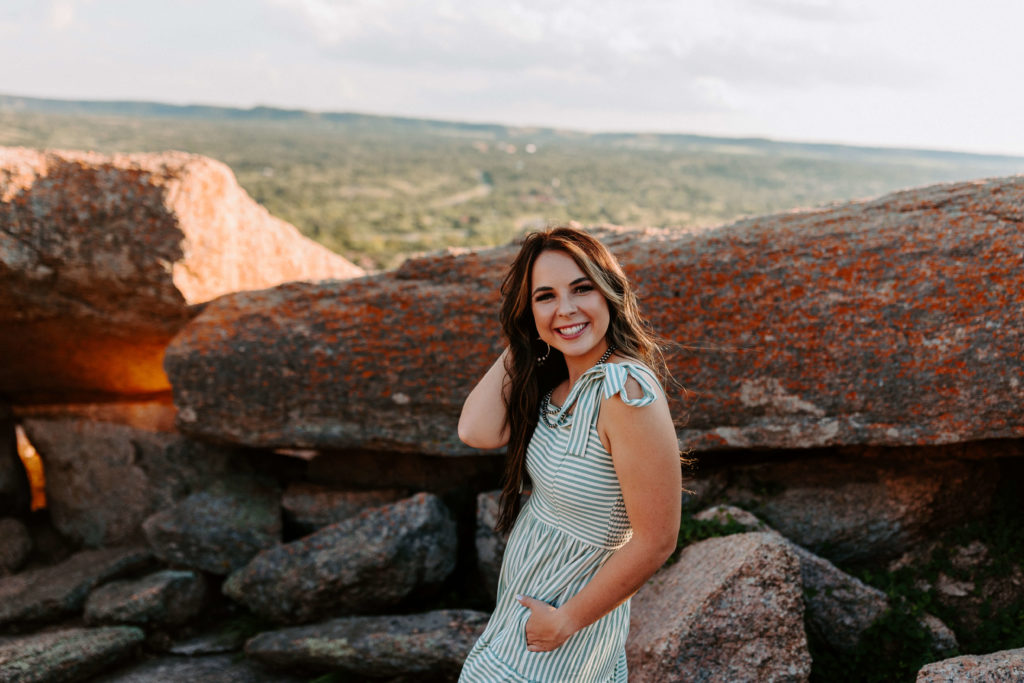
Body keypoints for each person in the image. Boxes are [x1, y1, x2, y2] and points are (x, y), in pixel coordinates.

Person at [458, 226, 682, 682]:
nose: (566, 308)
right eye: (545, 297)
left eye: (581, 289)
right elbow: (475, 431)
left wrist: (566, 621)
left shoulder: (624, 392)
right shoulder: (558, 382)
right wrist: (527, 339)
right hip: (524, 612)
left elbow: (657, 539)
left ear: (608, 293)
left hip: (566, 623)